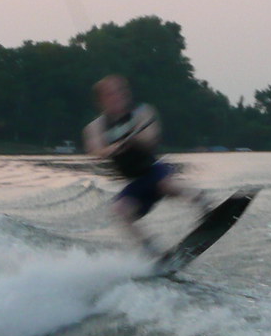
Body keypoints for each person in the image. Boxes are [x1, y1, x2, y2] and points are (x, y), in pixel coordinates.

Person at [83, 74, 207, 258]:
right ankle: (151, 249)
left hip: (155, 171)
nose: (117, 96)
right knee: (119, 209)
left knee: (167, 184)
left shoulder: (142, 112)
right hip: (136, 183)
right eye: (110, 94)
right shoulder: (96, 126)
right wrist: (112, 148)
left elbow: (151, 138)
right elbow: (95, 149)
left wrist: (134, 139)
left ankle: (203, 205)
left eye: (120, 92)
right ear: (101, 101)